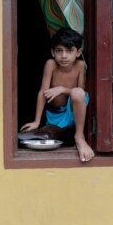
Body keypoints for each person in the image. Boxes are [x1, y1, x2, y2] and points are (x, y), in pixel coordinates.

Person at [20, 27, 95, 163]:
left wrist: (62, 89)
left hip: (73, 112)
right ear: (52, 52)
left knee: (77, 92)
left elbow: (81, 92)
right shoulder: (51, 64)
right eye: (59, 51)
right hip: (54, 115)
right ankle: (58, 134)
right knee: (45, 135)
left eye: (69, 50)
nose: (64, 56)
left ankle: (79, 137)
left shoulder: (80, 65)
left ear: (78, 52)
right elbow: (43, 92)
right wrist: (36, 121)